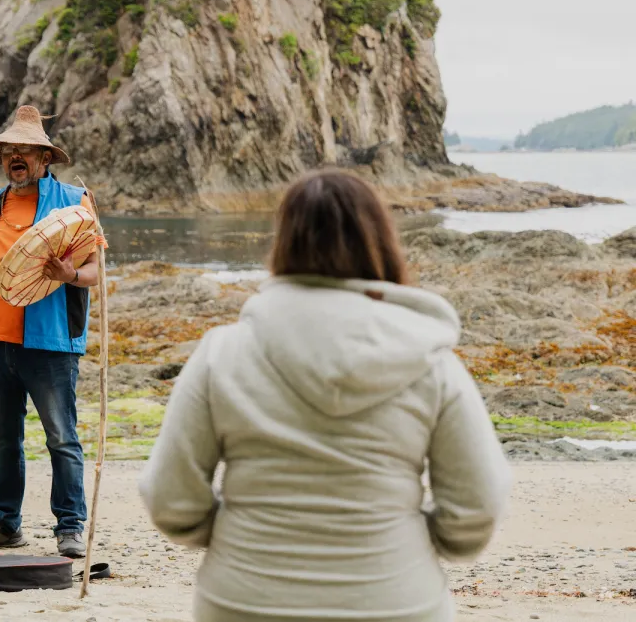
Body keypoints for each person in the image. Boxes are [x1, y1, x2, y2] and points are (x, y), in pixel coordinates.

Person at [140, 169, 511, 622]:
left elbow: (169, 497)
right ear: (381, 241)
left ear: (283, 242)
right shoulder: (429, 360)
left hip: (246, 600)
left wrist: (238, 534)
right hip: (396, 601)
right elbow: (478, 505)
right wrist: (410, 541)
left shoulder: (223, 353)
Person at [0, 105, 104, 559]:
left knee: (61, 436)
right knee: (3, 439)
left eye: (26, 150)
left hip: (51, 341)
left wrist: (67, 274)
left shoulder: (76, 202)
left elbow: (95, 271)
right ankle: (5, 524)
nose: (16, 157)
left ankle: (71, 528)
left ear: (45, 158)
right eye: (9, 151)